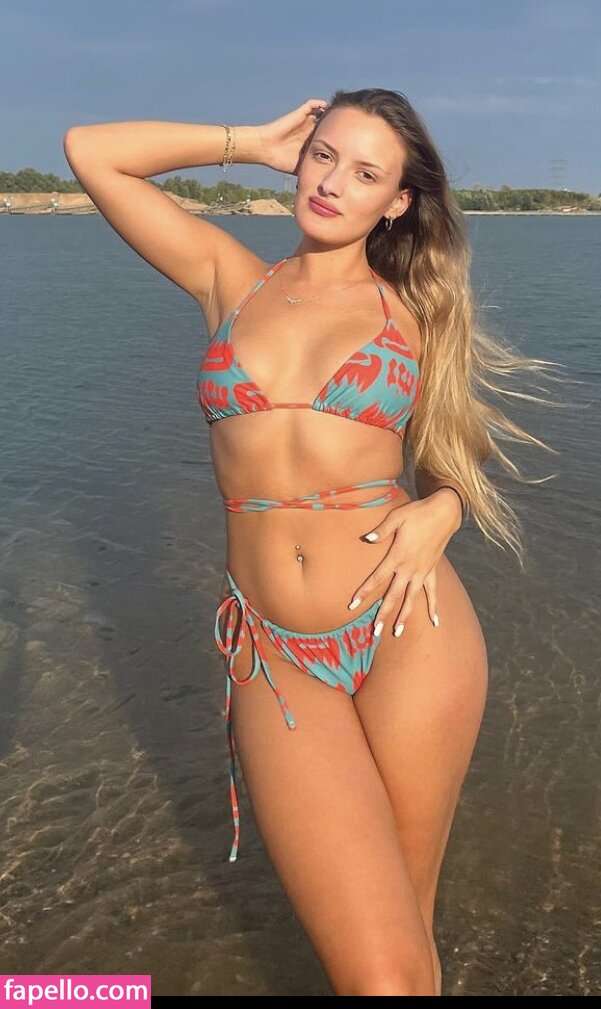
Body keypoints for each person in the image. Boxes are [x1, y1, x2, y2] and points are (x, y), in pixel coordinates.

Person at [63, 89, 561, 996]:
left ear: (397, 201)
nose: (332, 183)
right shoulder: (229, 277)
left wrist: (444, 509)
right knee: (378, 964)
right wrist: (248, 142)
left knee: (397, 956)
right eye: (322, 156)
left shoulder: (417, 308)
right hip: (272, 650)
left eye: (365, 173)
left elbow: (457, 451)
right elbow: (92, 150)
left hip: (407, 626)